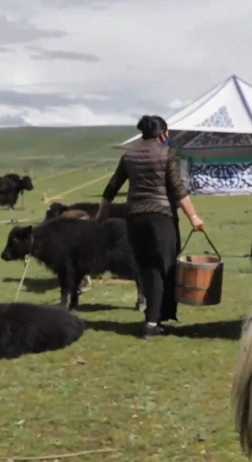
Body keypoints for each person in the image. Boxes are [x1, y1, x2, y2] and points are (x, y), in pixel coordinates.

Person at [98, 115, 205, 339]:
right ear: (163, 133)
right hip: (161, 218)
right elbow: (177, 189)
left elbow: (112, 187)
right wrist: (193, 217)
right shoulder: (167, 154)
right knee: (163, 267)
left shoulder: (129, 156)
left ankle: (155, 317)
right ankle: (153, 322)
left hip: (135, 218)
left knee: (147, 268)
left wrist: (101, 214)